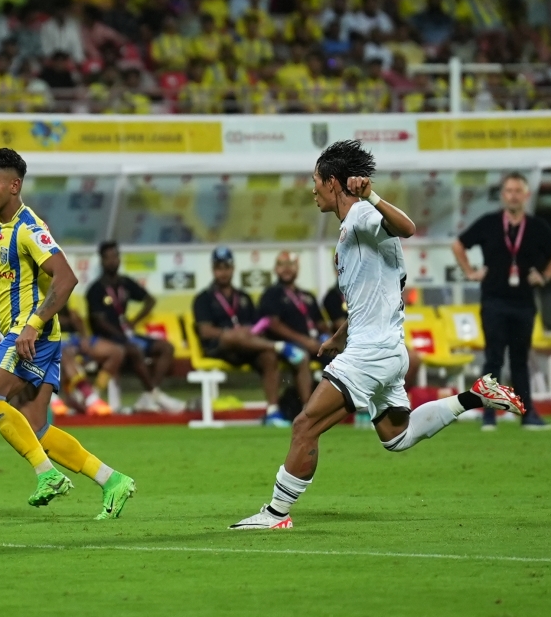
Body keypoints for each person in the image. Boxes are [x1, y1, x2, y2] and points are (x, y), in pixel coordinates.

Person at [231, 140, 526, 530]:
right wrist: (340, 335)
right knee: (396, 436)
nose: (312, 189)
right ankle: (475, 396)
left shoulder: (362, 215)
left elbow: (407, 228)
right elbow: (372, 295)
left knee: (305, 425)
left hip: (371, 353)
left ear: (332, 182)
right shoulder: (351, 229)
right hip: (386, 350)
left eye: (316, 180)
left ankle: (275, 514)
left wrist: (371, 196)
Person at [0, 148, 136, 519]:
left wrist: (32, 325)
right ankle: (112, 480)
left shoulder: (30, 228)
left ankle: (48, 475)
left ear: (14, 186)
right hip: (32, 335)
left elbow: (66, 278)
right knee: (36, 427)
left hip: (29, 334)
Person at [452, 172, 551, 430]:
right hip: (494, 300)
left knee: (520, 360)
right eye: (509, 191)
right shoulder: (489, 223)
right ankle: (489, 415)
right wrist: (470, 272)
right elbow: (458, 245)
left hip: (524, 302)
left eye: (518, 191)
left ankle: (528, 414)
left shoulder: (537, 227)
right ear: (503, 195)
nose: (513, 196)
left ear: (527, 195)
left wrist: (544, 277)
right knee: (493, 359)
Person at [192, 247, 311, 426]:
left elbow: (256, 328)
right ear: (213, 269)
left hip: (246, 348)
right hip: (219, 347)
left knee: (268, 356)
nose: (223, 272)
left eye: (226, 267)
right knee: (233, 336)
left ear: (233, 268)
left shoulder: (244, 297)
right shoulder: (203, 298)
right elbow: (206, 331)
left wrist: (248, 331)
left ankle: (273, 412)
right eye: (219, 268)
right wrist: (234, 333)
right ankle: (280, 346)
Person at [86, 241, 186, 413]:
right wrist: (121, 335)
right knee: (134, 350)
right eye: (108, 257)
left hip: (126, 335)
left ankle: (149, 395)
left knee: (166, 348)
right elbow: (100, 322)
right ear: (102, 261)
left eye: (115, 256)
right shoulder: (95, 289)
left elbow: (150, 300)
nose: (112, 261)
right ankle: (156, 395)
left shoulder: (125, 283)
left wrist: (134, 321)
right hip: (107, 339)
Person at [257, 251, 324, 404]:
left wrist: (328, 338)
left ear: (297, 268)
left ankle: (348, 407)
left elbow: (320, 323)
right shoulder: (271, 294)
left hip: (314, 343)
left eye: (291, 265)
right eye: (282, 265)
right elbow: (273, 324)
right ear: (275, 269)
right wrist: (305, 341)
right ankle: (308, 410)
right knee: (301, 356)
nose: (286, 269)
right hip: (287, 345)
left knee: (339, 357)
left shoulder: (307, 295)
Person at [54, 304, 116, 417]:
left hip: (73, 341)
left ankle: (94, 392)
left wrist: (84, 337)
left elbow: (79, 325)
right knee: (65, 354)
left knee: (116, 352)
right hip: (52, 343)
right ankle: (89, 398)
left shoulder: (68, 306)